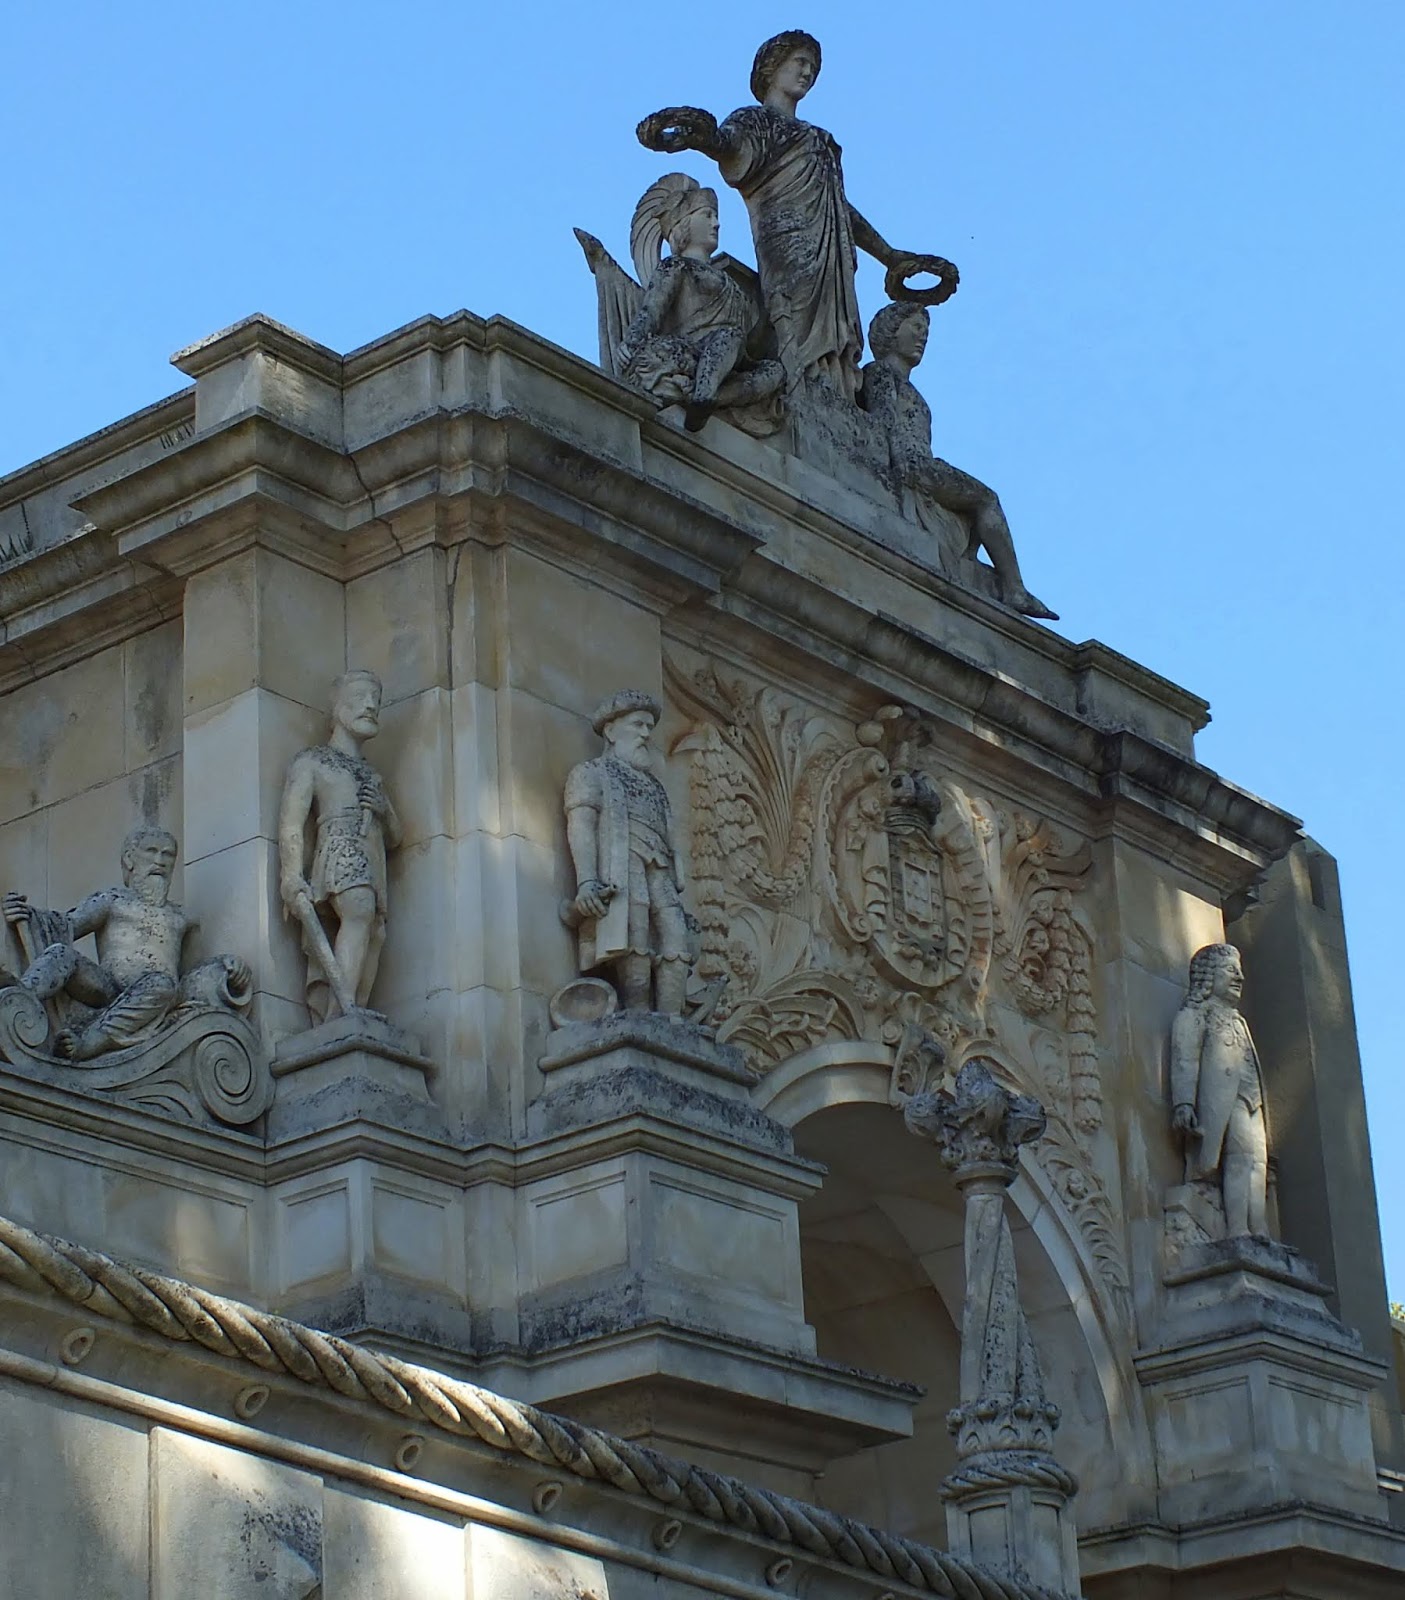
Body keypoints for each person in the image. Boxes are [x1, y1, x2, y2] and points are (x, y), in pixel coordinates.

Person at [639, 30, 930, 404]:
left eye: (813, 68)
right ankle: (800, 394)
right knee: (792, 321)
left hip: (831, 253)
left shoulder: (818, 139)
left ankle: (832, 397)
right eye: (800, 63)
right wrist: (701, 138)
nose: (807, 73)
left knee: (836, 333)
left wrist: (888, 255)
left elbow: (839, 207)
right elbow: (729, 145)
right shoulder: (755, 121)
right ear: (771, 69)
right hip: (786, 244)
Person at [861, 301, 1058, 621]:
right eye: (916, 327)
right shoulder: (880, 373)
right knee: (986, 499)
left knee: (977, 506)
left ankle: (981, 569)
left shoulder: (912, 391)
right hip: (914, 466)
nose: (923, 336)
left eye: (926, 330)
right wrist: (902, 469)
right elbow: (883, 423)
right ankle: (1015, 589)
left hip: (923, 465)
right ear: (891, 332)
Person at [2, 825, 245, 1059]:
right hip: (105, 988)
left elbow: (190, 976)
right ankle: (19, 997)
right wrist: (25, 915)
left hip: (153, 996)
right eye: (151, 851)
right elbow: (63, 926)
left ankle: (90, 1042)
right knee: (60, 953)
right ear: (130, 859)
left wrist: (227, 967)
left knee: (162, 983)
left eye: (168, 854)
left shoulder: (185, 918)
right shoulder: (112, 900)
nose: (160, 861)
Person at [577, 173, 783, 434]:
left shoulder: (730, 284)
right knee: (729, 335)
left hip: (732, 361)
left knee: (774, 371)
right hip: (692, 350)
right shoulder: (675, 266)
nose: (716, 223)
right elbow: (652, 310)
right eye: (707, 215)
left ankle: (707, 400)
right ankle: (704, 391)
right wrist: (631, 341)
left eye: (715, 216)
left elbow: (751, 339)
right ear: (684, 224)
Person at [279, 670, 402, 1023]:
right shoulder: (313, 761)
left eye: (376, 699)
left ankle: (351, 1011)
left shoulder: (370, 774)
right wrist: (291, 874)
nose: (371, 705)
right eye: (361, 697)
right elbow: (292, 822)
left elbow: (395, 836)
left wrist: (384, 810)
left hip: (372, 854)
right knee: (359, 910)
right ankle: (339, 1017)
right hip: (339, 846)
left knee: (375, 931)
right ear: (337, 707)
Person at [563, 690, 692, 1015]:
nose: (646, 734)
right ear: (610, 730)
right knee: (634, 938)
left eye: (649, 726)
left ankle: (671, 1020)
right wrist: (587, 881)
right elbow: (581, 825)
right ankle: (638, 1015)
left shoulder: (655, 787)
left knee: (676, 935)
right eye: (638, 724)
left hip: (659, 870)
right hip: (623, 870)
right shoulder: (591, 773)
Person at [1169, 943, 1270, 1239]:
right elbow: (1185, 1059)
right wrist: (1184, 1103)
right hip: (1225, 1100)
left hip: (1251, 1099)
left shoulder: (1239, 1021)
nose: (1240, 976)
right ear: (1209, 976)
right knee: (1239, 1156)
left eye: (1239, 970)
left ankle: (1259, 1227)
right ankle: (1238, 1227)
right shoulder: (1195, 1015)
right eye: (1230, 970)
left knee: (1259, 1160)